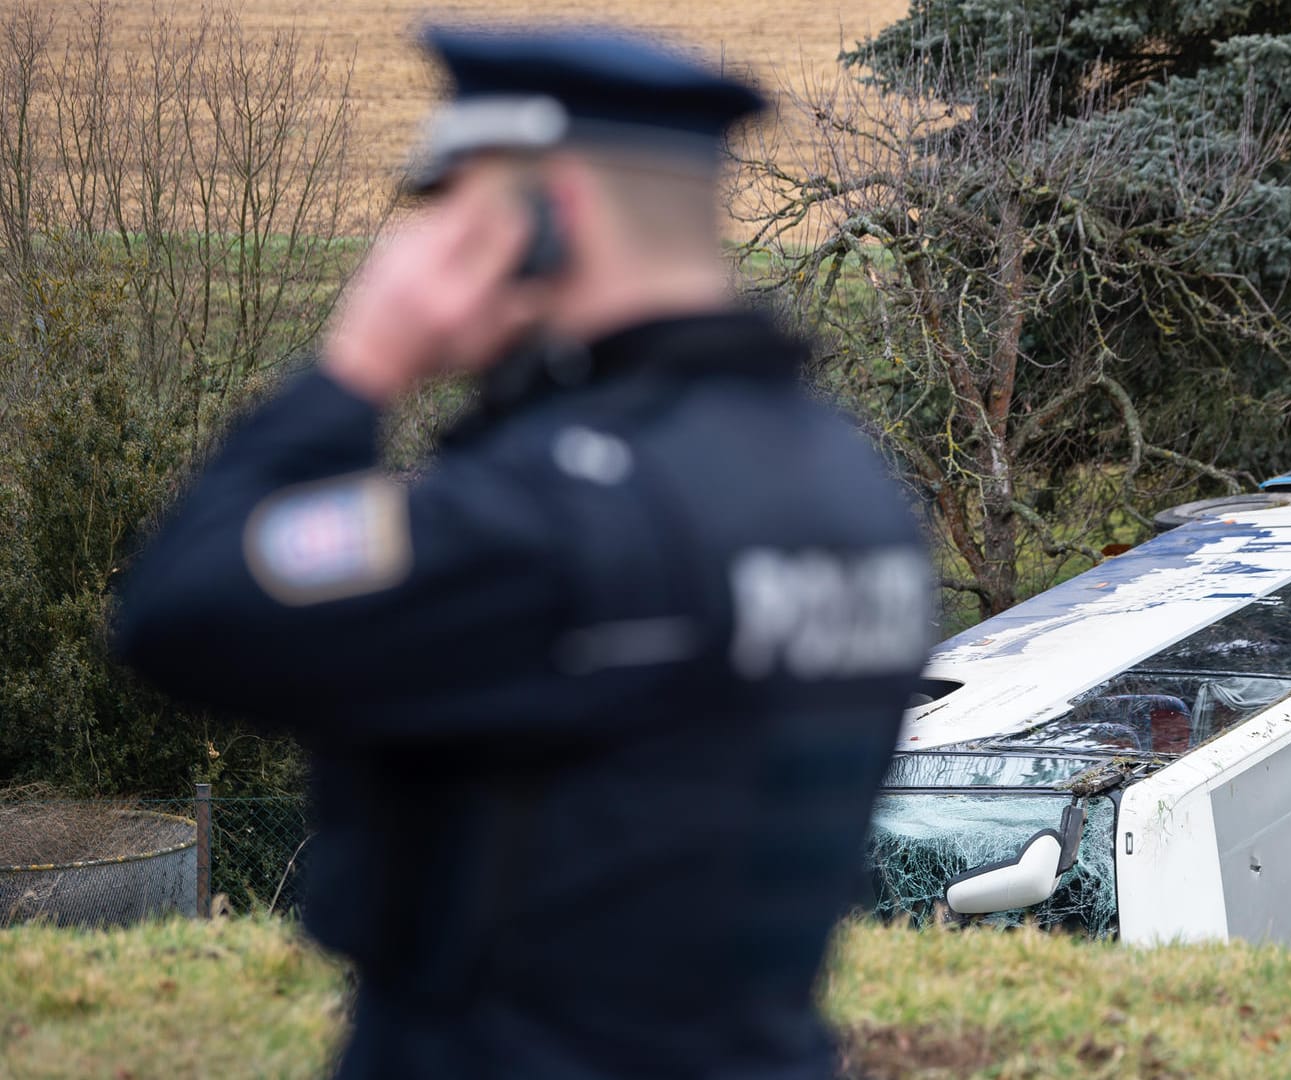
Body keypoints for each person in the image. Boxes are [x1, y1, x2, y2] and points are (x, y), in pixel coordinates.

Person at [113, 24, 932, 1079]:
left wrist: (356, 371)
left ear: (546, 221)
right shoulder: (851, 485)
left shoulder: (549, 512)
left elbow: (180, 609)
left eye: (451, 212)